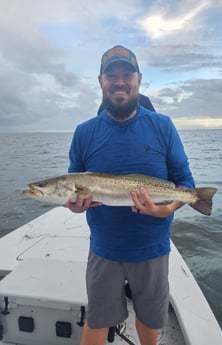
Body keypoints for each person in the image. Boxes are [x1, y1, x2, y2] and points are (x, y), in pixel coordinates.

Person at [65, 45, 195, 345]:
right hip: (104, 249)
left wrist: (167, 208)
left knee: (150, 321)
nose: (119, 81)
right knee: (97, 320)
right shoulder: (84, 132)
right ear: (101, 81)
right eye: (112, 75)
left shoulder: (162, 126)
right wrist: (75, 206)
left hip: (152, 249)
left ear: (139, 79)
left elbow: (185, 182)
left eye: (127, 74)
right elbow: (75, 185)